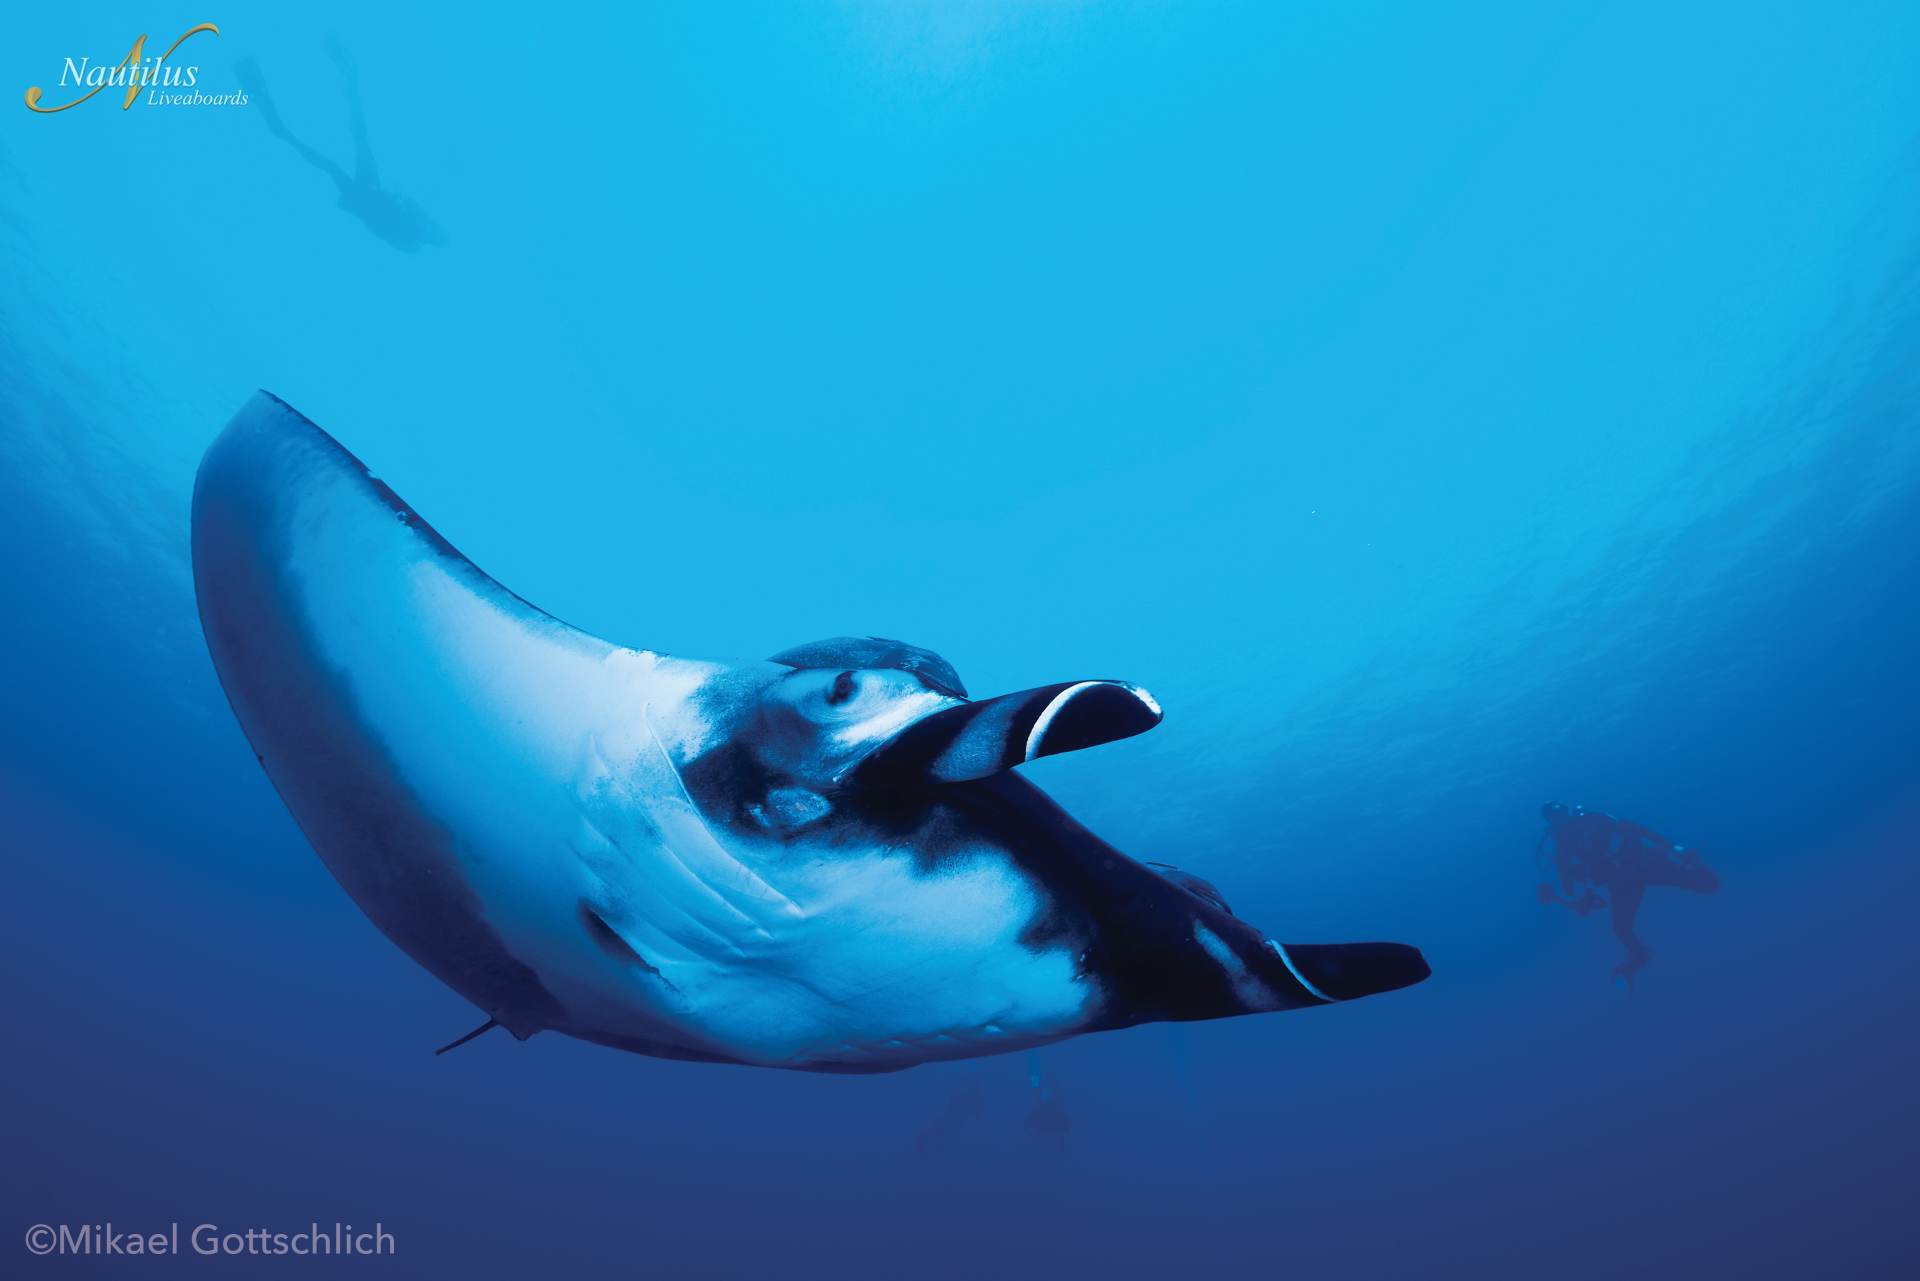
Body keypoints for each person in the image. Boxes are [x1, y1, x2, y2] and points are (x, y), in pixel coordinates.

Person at [234, 44, 447, 253]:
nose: (431, 231)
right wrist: (391, 201)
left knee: (331, 159)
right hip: (371, 192)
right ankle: (347, 75)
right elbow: (399, 204)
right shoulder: (419, 220)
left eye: (433, 235)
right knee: (357, 139)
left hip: (363, 200)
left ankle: (263, 98)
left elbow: (380, 228)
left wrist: (379, 207)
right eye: (435, 231)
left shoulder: (410, 242)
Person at [1535, 802, 1719, 986]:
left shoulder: (1592, 820)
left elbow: (1634, 829)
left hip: (1644, 863)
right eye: (1555, 818)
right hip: (1622, 883)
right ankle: (1639, 955)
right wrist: (1561, 895)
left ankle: (1695, 865)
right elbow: (1567, 883)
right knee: (1620, 928)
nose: (1560, 821)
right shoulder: (1564, 846)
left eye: (1561, 815)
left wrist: (1673, 848)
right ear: (1551, 822)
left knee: (1709, 885)